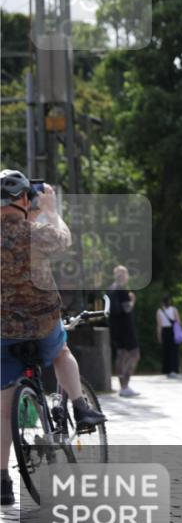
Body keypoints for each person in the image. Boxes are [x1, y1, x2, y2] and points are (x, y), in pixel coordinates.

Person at [1, 171, 107, 506]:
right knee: (61, 350)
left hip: (2, 335)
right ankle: (80, 407)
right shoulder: (34, 233)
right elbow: (63, 238)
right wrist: (51, 209)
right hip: (43, 326)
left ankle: (3, 483)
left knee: (3, 411)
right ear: (23, 200)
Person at [107, 265, 141, 397]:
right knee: (134, 354)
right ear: (124, 276)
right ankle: (125, 385)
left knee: (121, 355)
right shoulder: (123, 290)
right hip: (126, 328)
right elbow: (127, 309)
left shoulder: (110, 289)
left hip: (115, 327)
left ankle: (122, 387)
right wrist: (132, 300)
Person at [157, 296, 181, 377]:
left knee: (166, 351)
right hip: (173, 331)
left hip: (164, 331)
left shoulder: (159, 311)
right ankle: (174, 370)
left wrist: (159, 336)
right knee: (174, 351)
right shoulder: (174, 309)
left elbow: (159, 325)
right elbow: (178, 322)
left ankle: (167, 370)